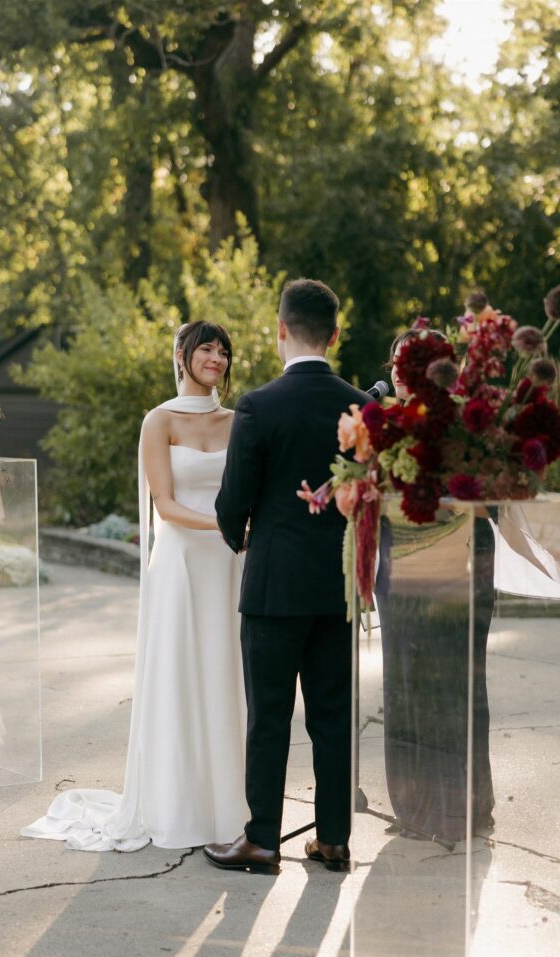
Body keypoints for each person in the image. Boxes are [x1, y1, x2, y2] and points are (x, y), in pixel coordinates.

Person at [21, 321, 249, 851]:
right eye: (206, 349)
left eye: (223, 351)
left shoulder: (240, 420)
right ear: (181, 355)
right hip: (182, 564)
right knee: (181, 674)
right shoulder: (159, 420)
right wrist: (230, 526)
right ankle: (176, 806)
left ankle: (228, 808)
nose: (216, 358)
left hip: (230, 564)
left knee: (226, 675)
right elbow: (165, 506)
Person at [203, 278, 372, 875]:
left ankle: (262, 840)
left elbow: (232, 501)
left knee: (269, 714)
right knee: (331, 715)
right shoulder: (361, 407)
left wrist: (238, 535)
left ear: (280, 329)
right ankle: (334, 840)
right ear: (334, 335)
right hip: (336, 584)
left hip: (274, 586)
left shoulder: (257, 404)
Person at [377, 328, 496, 842]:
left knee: (426, 682)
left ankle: (434, 811)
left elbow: (493, 498)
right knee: (449, 680)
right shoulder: (383, 421)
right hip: (418, 559)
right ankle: (467, 804)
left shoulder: (467, 424)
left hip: (445, 559)